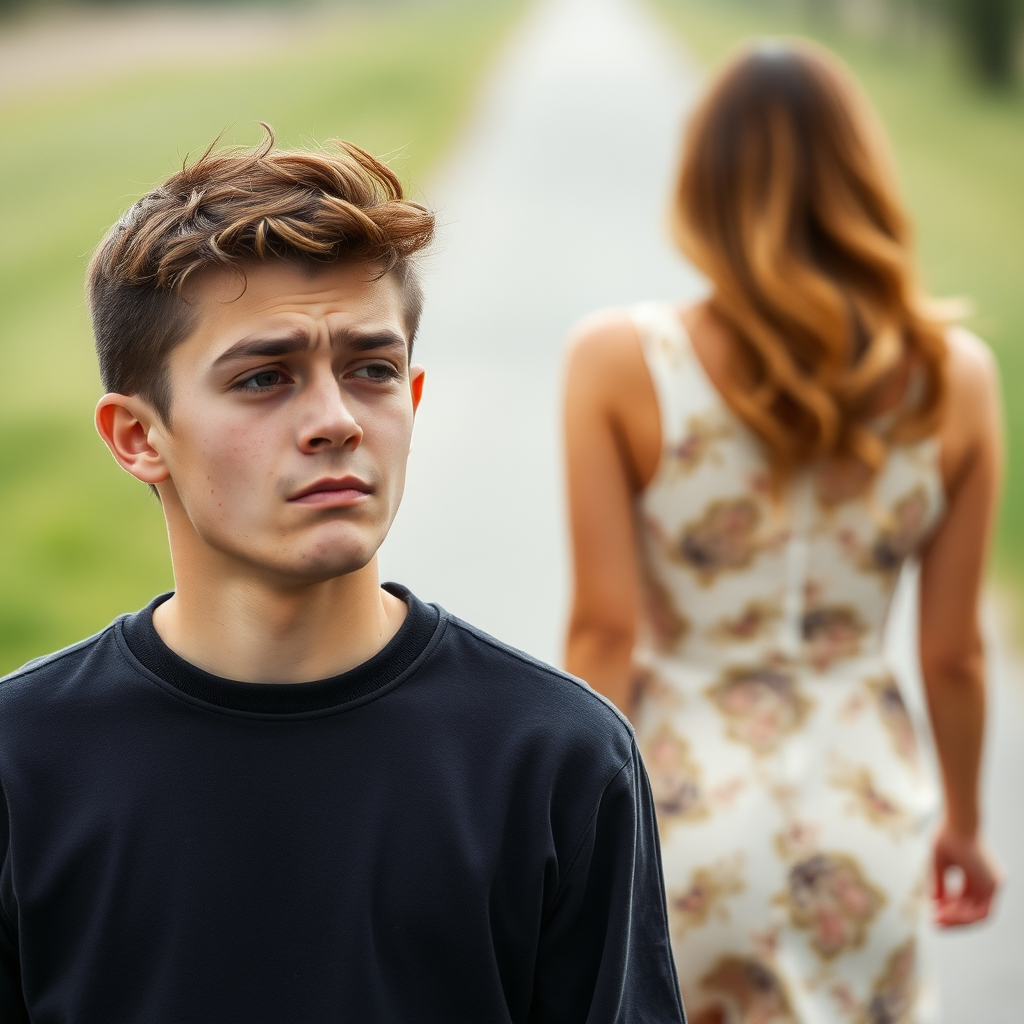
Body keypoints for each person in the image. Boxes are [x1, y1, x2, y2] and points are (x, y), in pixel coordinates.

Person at [0, 132, 684, 1024]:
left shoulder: (558, 759)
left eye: (371, 370)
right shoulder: (23, 766)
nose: (335, 420)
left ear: (414, 396)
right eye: (263, 378)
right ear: (138, 436)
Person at [563, 40, 1001, 1024]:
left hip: (676, 823)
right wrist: (965, 827)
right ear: (864, 179)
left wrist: (572, 844)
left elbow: (601, 632)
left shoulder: (618, 362)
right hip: (864, 825)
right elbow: (955, 654)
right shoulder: (954, 378)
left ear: (701, 185)